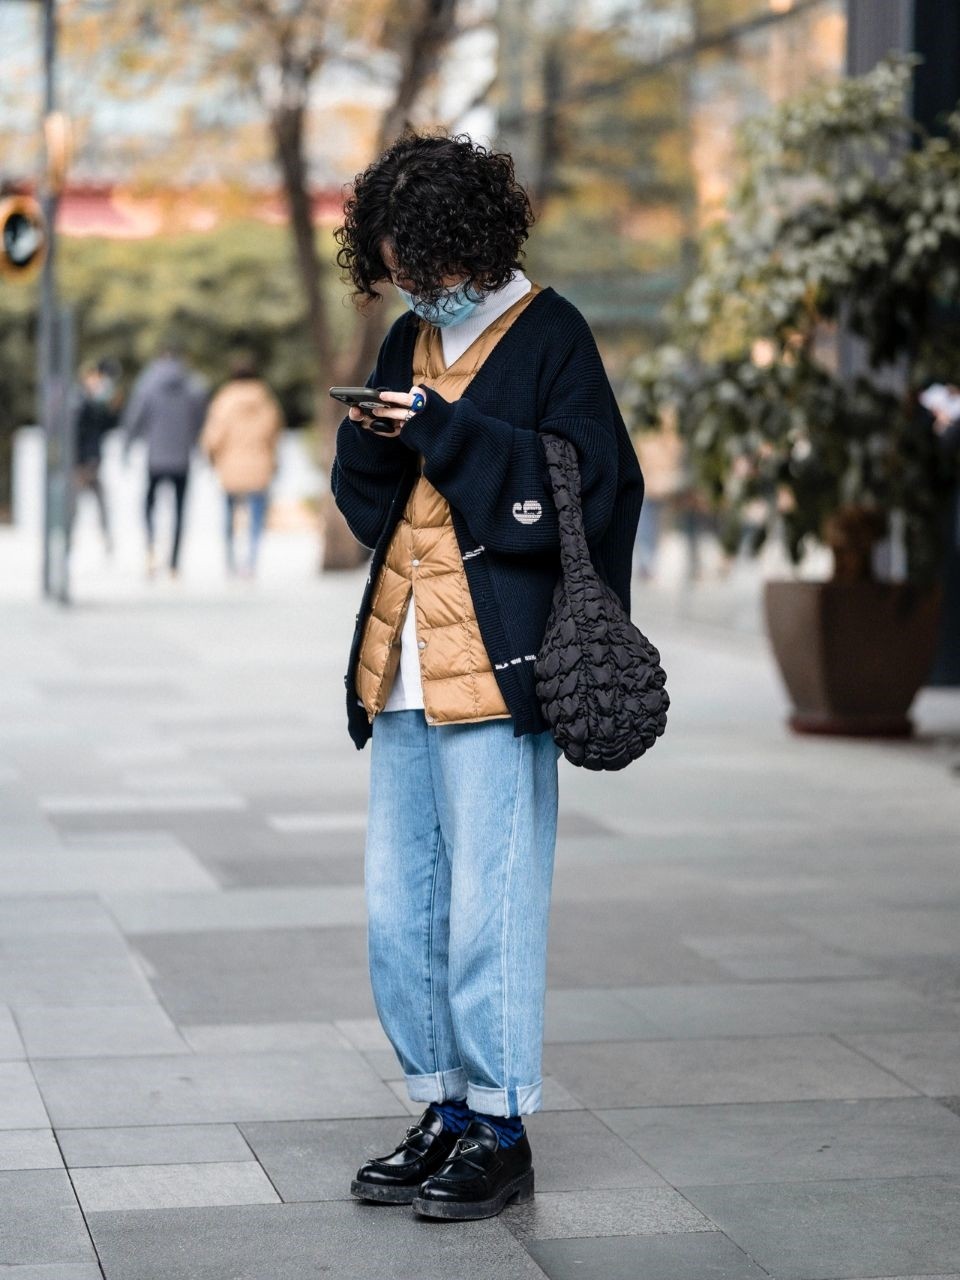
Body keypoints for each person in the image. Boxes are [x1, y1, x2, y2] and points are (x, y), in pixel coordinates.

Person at [331, 132, 643, 1222]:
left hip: (502, 669)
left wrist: (449, 432)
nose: (416, 290)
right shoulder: (410, 336)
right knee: (397, 910)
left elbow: (595, 491)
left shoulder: (551, 333)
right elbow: (373, 508)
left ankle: (499, 1119)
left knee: (486, 912)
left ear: (470, 242)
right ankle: (443, 1107)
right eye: (399, 273)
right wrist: (376, 436)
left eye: (427, 267)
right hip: (404, 657)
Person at [122, 341, 207, 578]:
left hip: (156, 456)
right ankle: (174, 563)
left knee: (148, 505)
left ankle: (151, 548)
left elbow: (135, 417)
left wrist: (128, 445)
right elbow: (200, 421)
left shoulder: (147, 384)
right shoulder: (193, 385)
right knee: (180, 510)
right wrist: (196, 445)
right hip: (182, 457)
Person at [200, 351, 284, 578]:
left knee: (228, 516)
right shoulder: (266, 401)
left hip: (230, 466)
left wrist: (210, 456)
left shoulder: (223, 400)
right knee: (256, 518)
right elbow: (274, 433)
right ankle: (251, 563)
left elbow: (214, 436)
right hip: (259, 465)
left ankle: (230, 562)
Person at [70, 360, 119, 555]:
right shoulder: (80, 401)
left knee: (97, 501)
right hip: (83, 462)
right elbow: (77, 433)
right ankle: (68, 539)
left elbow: (104, 427)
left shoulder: (94, 402)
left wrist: (112, 410)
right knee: (75, 505)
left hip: (91, 460)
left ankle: (105, 539)